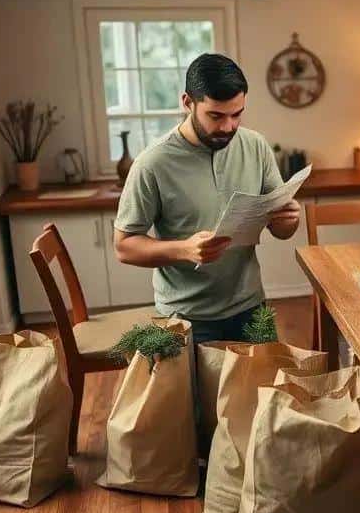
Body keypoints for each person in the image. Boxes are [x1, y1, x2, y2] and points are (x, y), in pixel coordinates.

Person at [113, 53, 300, 345]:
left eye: (237, 114)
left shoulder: (256, 146)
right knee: (198, 393)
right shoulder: (153, 163)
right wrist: (184, 250)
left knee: (264, 390)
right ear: (187, 102)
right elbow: (124, 247)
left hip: (251, 306)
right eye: (216, 115)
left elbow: (282, 231)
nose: (228, 126)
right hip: (185, 317)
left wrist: (289, 220)